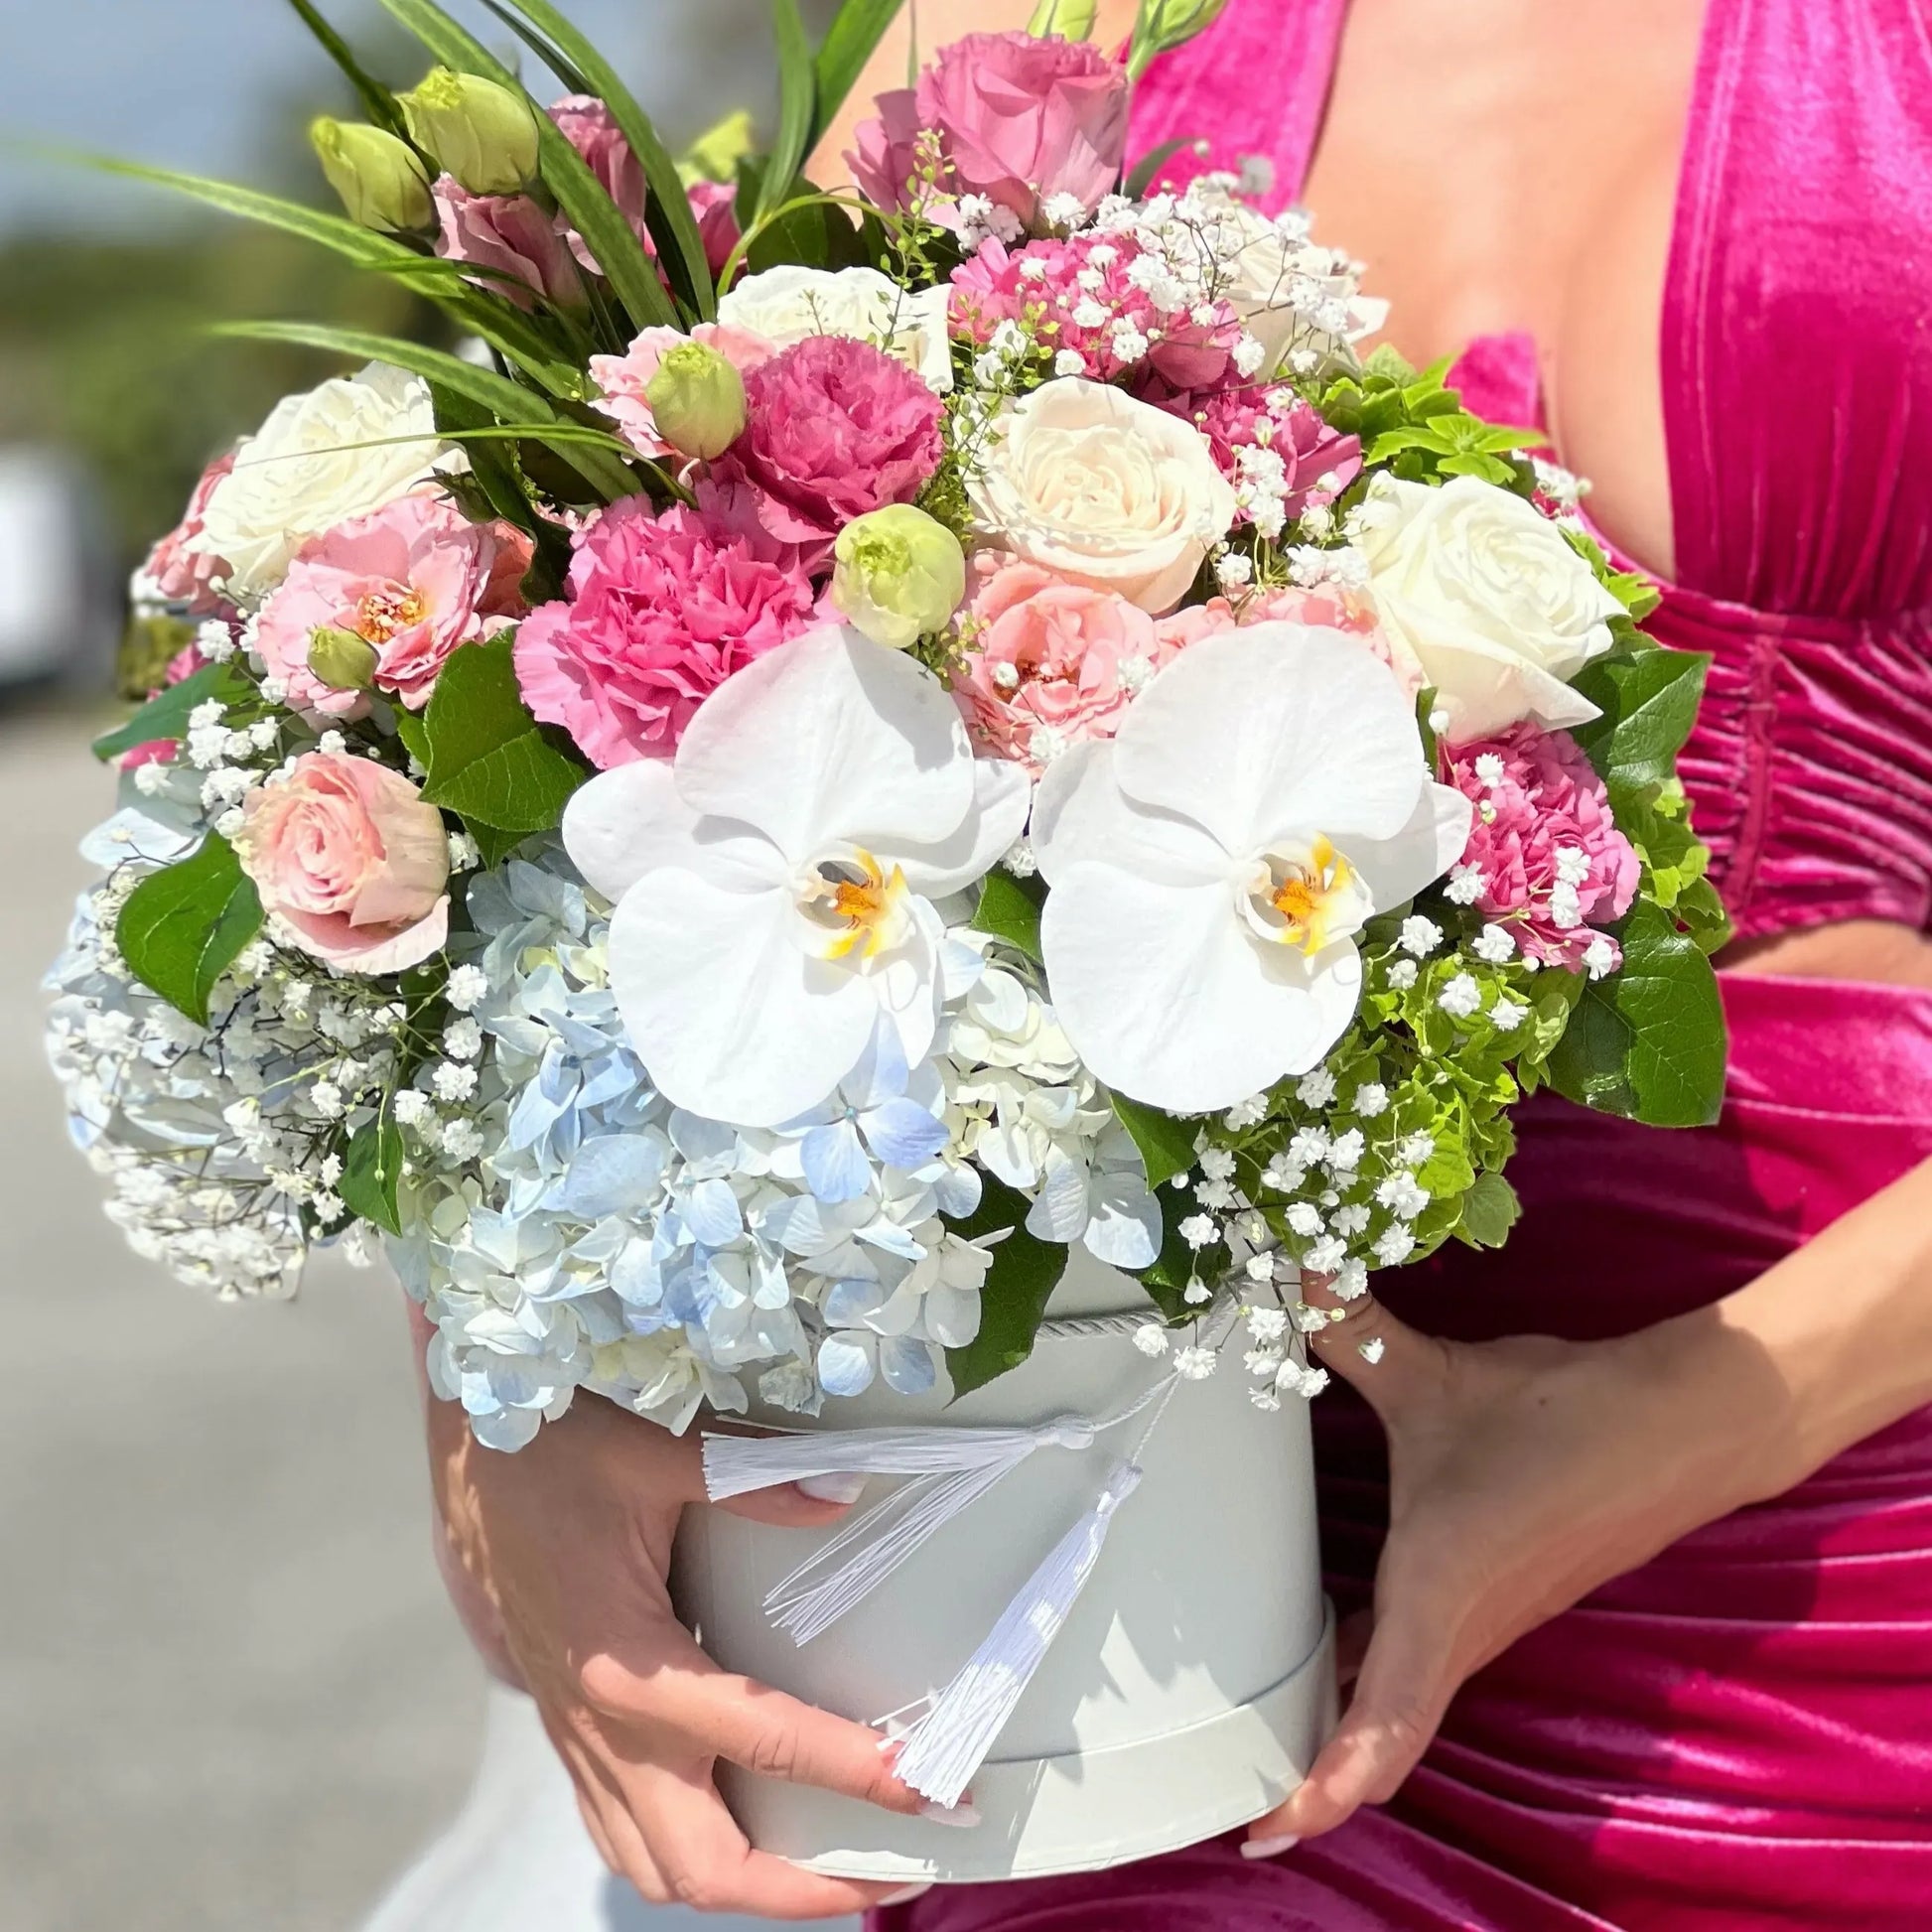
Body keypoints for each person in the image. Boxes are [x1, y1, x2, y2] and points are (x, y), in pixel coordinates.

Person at [398, 2, 1932, 1926]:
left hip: (1838, 1485)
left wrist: (1676, 1432)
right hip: (1109, 1506)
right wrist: (504, 1409)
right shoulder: (1042, 30)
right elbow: (629, 719)